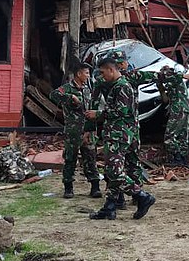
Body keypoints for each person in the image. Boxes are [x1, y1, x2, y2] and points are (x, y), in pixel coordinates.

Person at [86, 58, 155, 220]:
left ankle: (142, 196)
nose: (102, 77)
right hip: (121, 133)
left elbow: (121, 111)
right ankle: (110, 206)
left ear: (111, 70)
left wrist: (98, 114)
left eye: (103, 72)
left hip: (119, 134)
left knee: (113, 171)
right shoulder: (117, 86)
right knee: (114, 170)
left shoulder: (122, 86)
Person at [49, 63, 101, 199]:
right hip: (73, 131)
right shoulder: (66, 89)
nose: (88, 76)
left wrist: (92, 129)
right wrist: (70, 98)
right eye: (86, 73)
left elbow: (93, 108)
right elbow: (53, 95)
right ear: (79, 74)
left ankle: (95, 186)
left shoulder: (89, 89)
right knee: (70, 158)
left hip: (88, 130)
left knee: (90, 158)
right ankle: (68, 188)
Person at [157, 65, 189, 166]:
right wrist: (161, 88)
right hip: (182, 110)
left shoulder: (176, 79)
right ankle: (183, 160)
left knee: (169, 136)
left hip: (179, 110)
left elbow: (177, 76)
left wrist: (184, 75)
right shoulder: (172, 83)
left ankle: (177, 158)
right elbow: (165, 100)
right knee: (182, 136)